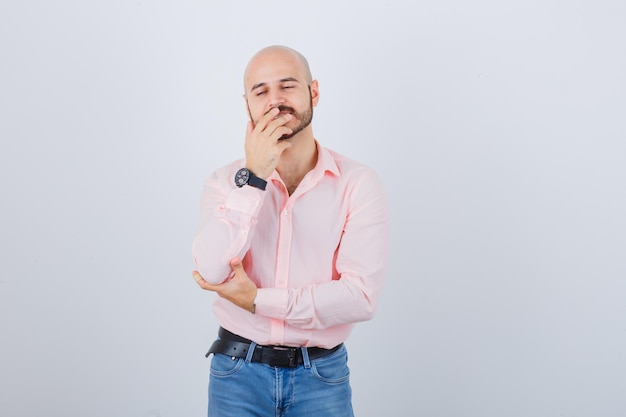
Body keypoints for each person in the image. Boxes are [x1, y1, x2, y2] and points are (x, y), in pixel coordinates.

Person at [191, 45, 389, 417]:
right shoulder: (224, 183)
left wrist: (256, 301)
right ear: (247, 105)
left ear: (313, 92)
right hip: (237, 374)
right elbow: (211, 271)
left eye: (288, 85)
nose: (275, 101)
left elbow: (360, 296)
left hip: (322, 376)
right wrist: (255, 179)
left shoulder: (358, 184)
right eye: (260, 91)